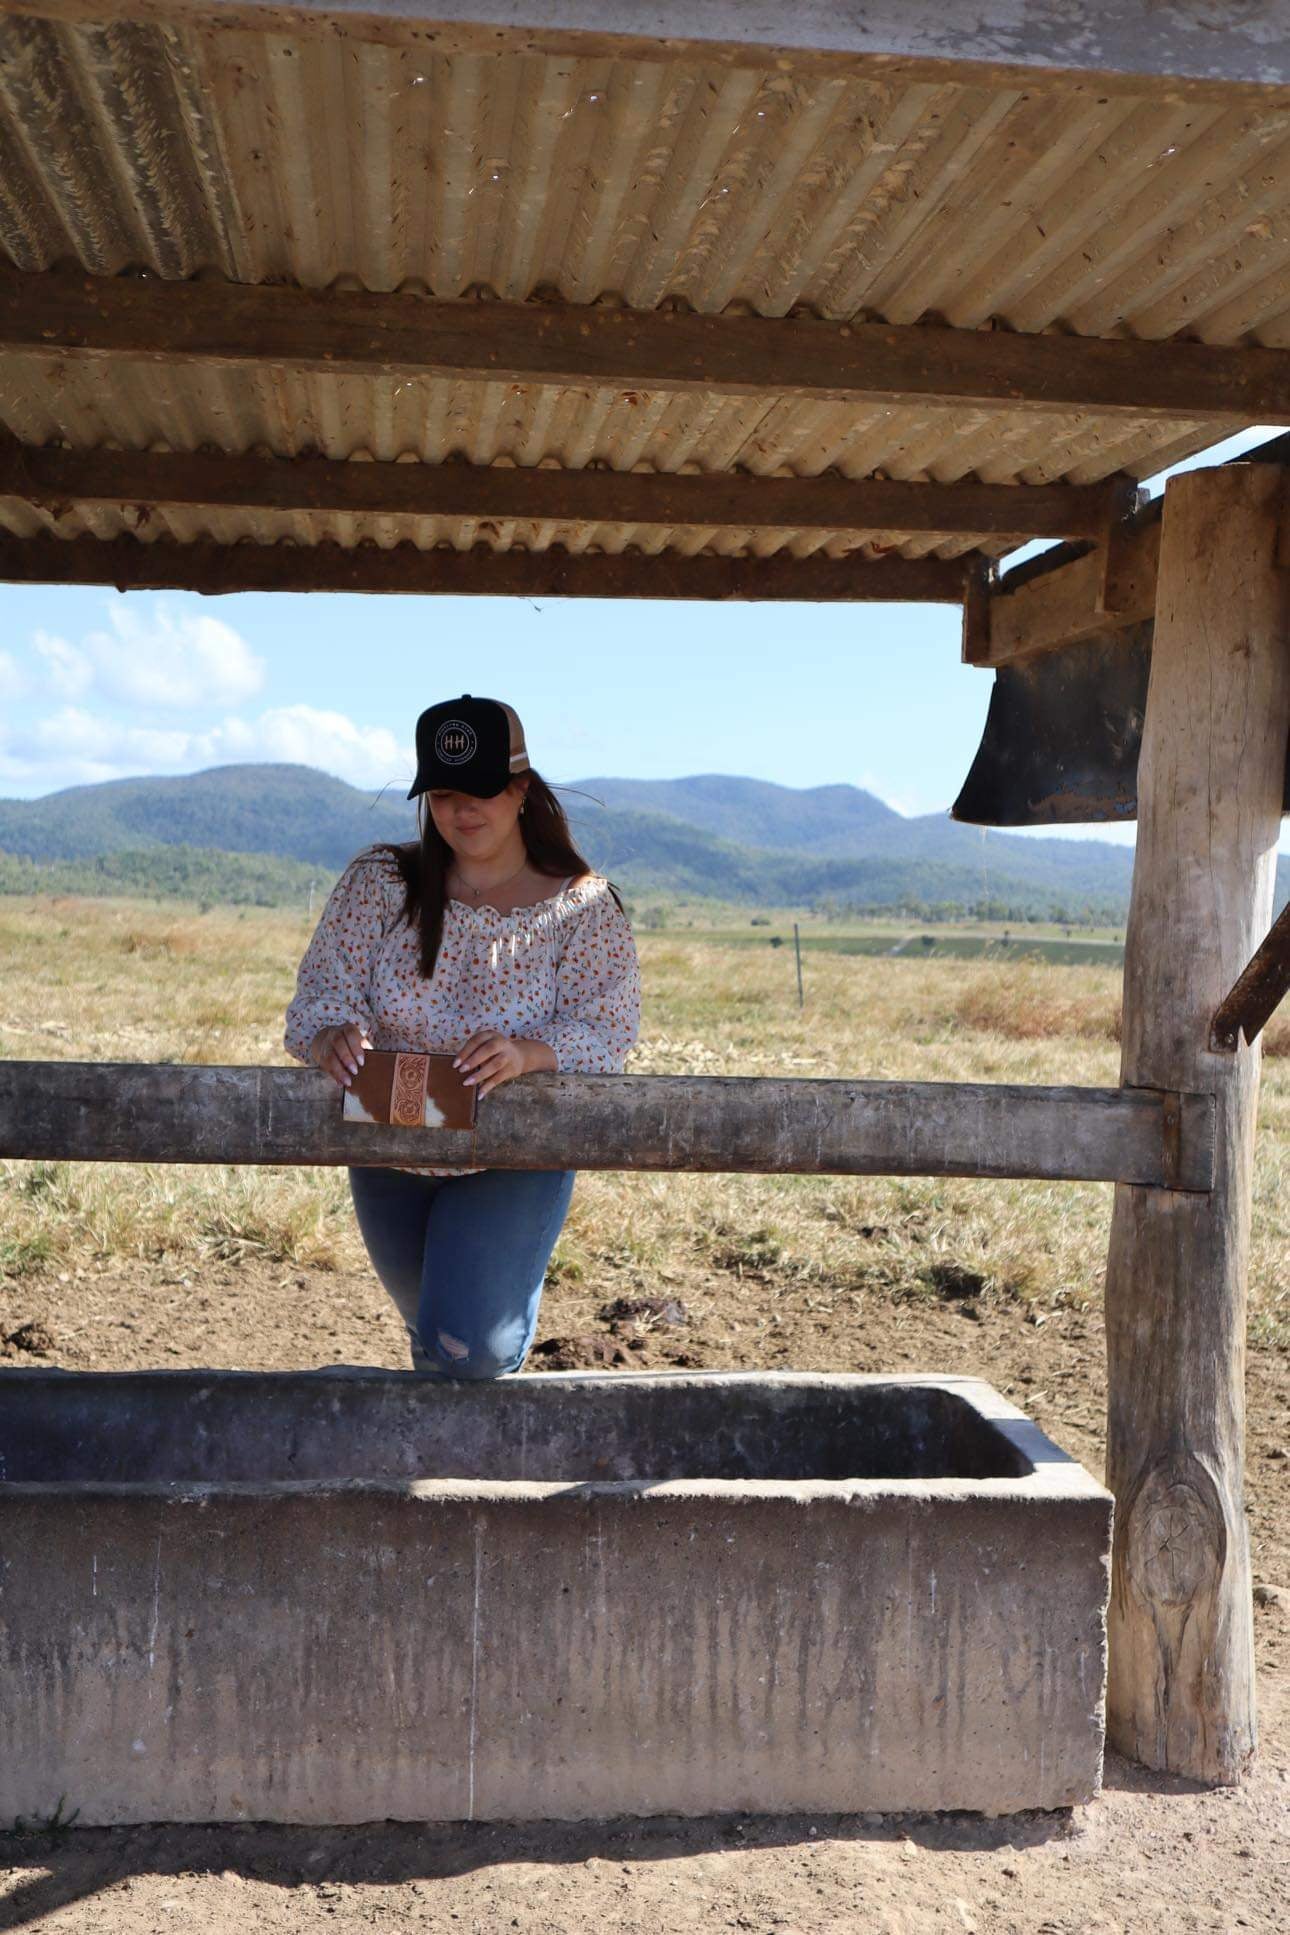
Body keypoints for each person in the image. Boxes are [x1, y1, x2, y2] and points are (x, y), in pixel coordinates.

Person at [284, 694, 640, 1378]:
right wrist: (331, 1035)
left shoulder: (582, 908)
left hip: (514, 1154)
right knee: (436, 1336)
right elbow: (319, 996)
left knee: (472, 1349)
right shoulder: (379, 884)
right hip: (388, 1141)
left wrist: (531, 1053)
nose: (461, 809)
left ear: (519, 789)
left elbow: (609, 1029)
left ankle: (467, 1469)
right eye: (443, 791)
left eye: (480, 788)